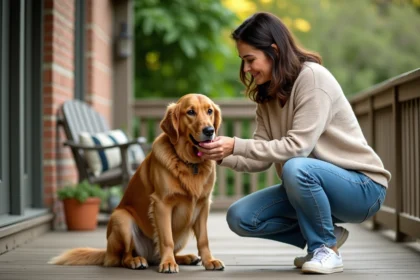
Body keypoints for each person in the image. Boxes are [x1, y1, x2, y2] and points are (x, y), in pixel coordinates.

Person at [197, 12, 390, 275]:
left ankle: (325, 248)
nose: (246, 70)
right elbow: (259, 158)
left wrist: (235, 144)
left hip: (363, 188)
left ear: (274, 51)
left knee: (296, 167)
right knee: (240, 217)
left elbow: (298, 148)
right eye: (243, 62)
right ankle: (324, 239)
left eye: (250, 60)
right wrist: (219, 154)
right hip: (309, 185)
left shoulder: (313, 79)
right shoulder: (267, 96)